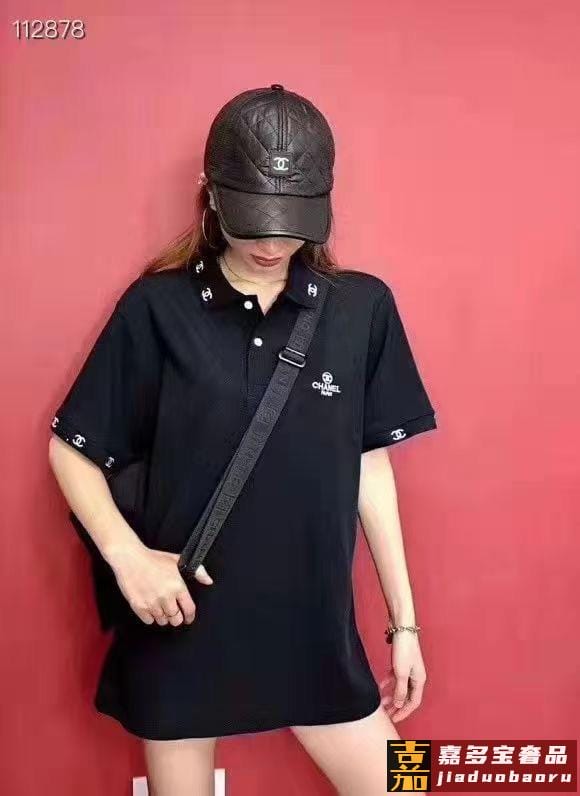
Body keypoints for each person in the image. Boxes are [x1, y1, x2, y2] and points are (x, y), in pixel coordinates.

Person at [48, 84, 437, 796]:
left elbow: (368, 466)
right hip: (181, 617)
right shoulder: (157, 307)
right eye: (254, 219)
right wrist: (128, 559)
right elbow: (72, 447)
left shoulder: (362, 309)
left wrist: (404, 626)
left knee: (407, 786)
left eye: (291, 224)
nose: (271, 244)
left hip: (312, 624)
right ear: (211, 194)